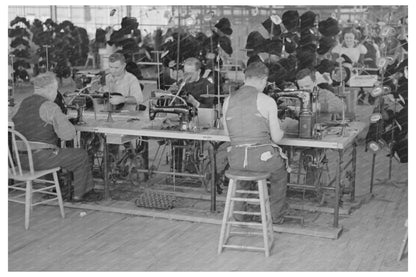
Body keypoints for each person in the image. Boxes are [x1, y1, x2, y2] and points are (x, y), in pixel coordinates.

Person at [12, 72, 100, 202]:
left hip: (19, 158)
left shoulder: (21, 103)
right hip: (40, 159)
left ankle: (53, 189)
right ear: (51, 89)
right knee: (80, 155)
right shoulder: (49, 106)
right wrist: (64, 121)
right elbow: (68, 135)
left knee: (48, 148)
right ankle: (80, 194)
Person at [222, 61, 288, 223]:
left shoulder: (228, 101)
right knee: (280, 171)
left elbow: (227, 134)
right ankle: (275, 217)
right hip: (261, 159)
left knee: (245, 174)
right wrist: (283, 126)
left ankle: (240, 214)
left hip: (236, 160)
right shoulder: (266, 101)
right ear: (262, 79)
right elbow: (277, 138)